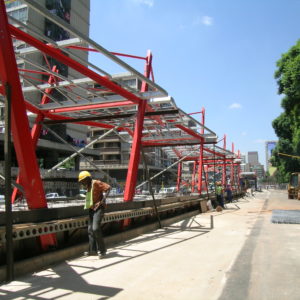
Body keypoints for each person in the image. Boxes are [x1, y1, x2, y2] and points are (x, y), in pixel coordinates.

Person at [78, 171, 111, 259]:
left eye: (83, 181)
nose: (83, 183)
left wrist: (103, 200)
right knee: (90, 230)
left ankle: (102, 250)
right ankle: (93, 250)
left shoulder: (96, 182)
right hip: (91, 209)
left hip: (99, 208)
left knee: (95, 228)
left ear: (88, 178)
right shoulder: (88, 186)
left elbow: (108, 188)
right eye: (82, 182)